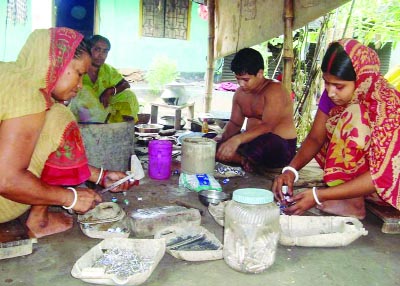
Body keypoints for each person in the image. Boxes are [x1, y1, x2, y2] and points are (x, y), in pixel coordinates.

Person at [0, 28, 135, 238]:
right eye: (79, 73)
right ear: (56, 63)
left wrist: (100, 176)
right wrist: (69, 198)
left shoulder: (10, 76)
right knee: (59, 118)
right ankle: (39, 221)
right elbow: (6, 181)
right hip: (5, 198)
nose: (80, 85)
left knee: (52, 114)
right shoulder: (27, 96)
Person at [272, 39, 400, 219]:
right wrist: (290, 170)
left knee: (353, 116)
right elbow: (316, 138)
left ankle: (353, 203)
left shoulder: (388, 105)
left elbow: (383, 175)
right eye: (326, 83)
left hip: (389, 188)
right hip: (367, 185)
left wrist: (318, 195)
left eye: (339, 86)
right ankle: (349, 196)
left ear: (361, 79)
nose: (331, 92)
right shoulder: (333, 94)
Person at [215, 48, 297, 171]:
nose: (241, 84)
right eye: (238, 79)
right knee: (214, 144)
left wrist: (237, 140)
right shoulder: (239, 94)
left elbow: (268, 127)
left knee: (268, 142)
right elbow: (235, 124)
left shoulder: (275, 90)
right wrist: (223, 140)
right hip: (250, 143)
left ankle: (243, 159)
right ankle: (244, 160)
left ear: (260, 73)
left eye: (246, 80)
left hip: (279, 146)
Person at [69, 35, 139, 123]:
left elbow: (125, 84)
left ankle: (120, 127)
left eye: (105, 51)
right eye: (97, 49)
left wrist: (110, 91)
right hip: (82, 115)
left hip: (105, 109)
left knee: (129, 95)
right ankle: (99, 125)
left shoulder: (108, 70)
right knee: (84, 90)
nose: (101, 55)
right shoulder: (79, 66)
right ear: (89, 49)